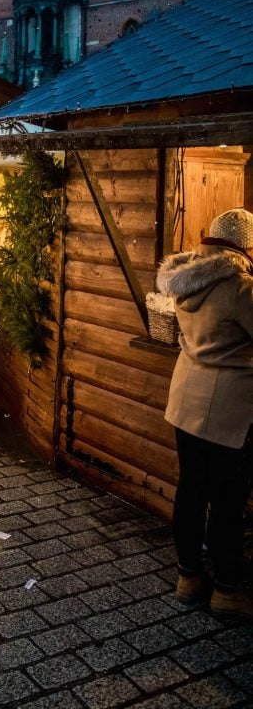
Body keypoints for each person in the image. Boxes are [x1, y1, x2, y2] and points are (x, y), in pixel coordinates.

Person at [157, 207, 253, 621]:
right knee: (227, 499)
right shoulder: (240, 286)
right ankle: (228, 591)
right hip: (229, 408)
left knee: (191, 491)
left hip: (186, 398)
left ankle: (189, 578)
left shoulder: (186, 278)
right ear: (245, 244)